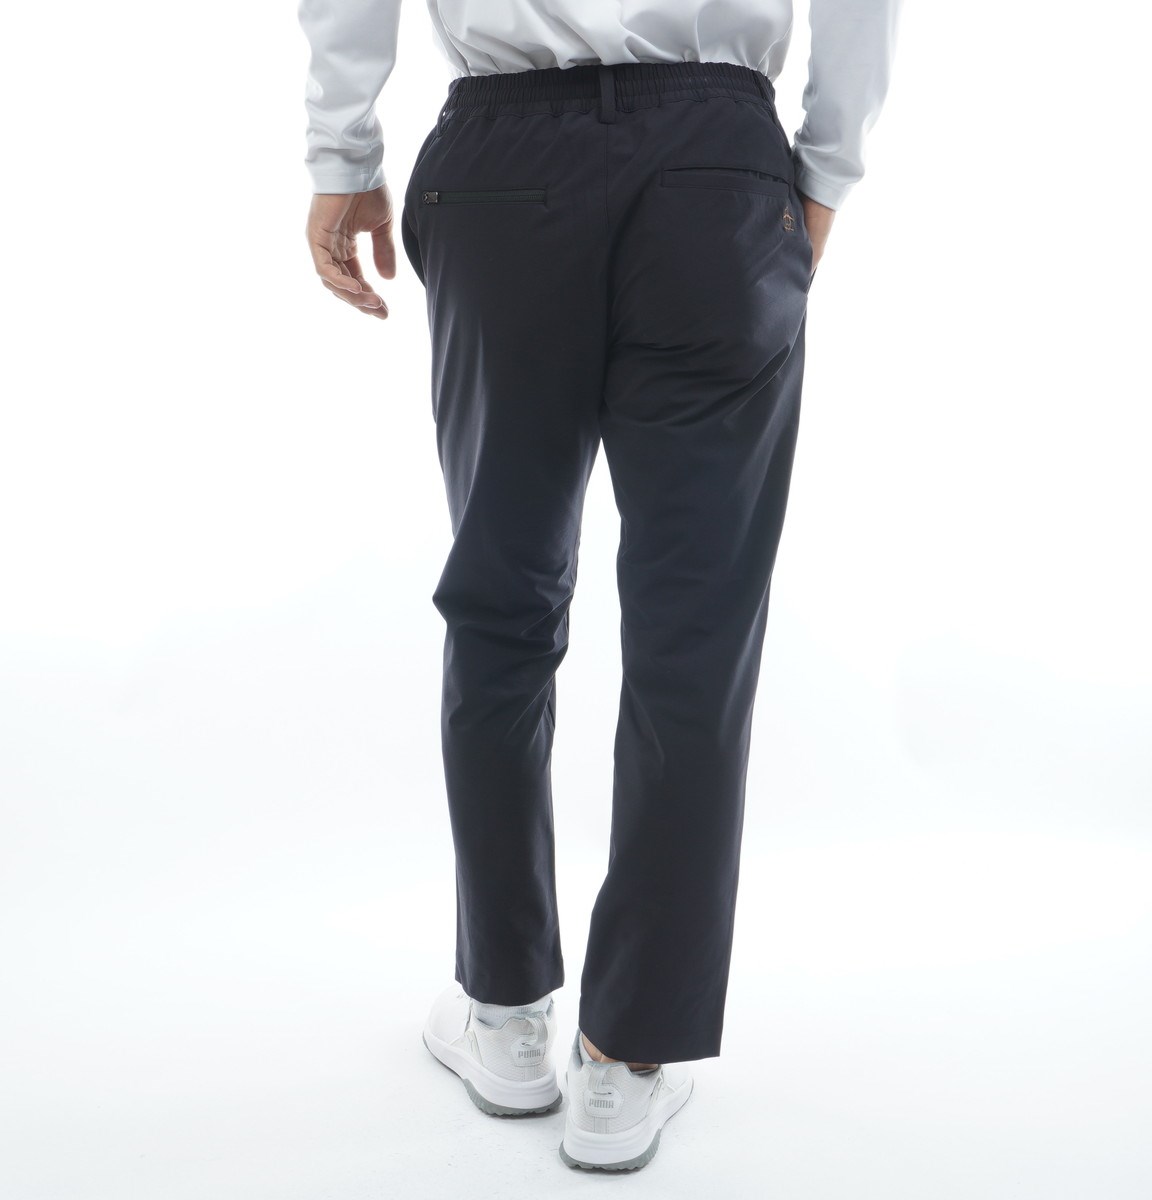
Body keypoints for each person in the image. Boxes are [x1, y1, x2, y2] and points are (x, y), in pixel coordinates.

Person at [297, 0, 902, 1173]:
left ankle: (507, 1011)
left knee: (500, 601)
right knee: (697, 628)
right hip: (716, 168)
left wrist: (342, 150)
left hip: (503, 164)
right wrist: (825, 169)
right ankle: (626, 1056)